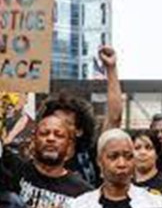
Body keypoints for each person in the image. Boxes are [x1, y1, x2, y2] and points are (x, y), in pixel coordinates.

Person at [39, 45, 123, 187]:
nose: (56, 130)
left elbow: (114, 118)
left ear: (79, 130)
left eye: (65, 123)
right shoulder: (37, 155)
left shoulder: (90, 156)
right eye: (54, 122)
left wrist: (111, 68)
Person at [0, 115, 92, 208]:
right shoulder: (13, 169)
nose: (51, 139)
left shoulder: (83, 193)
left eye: (59, 135)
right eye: (44, 134)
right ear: (33, 140)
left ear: (69, 145)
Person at [66, 130, 162, 208]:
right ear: (99, 161)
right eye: (113, 157)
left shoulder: (155, 205)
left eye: (128, 157)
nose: (122, 164)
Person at [132, 130, 162, 206]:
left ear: (156, 154)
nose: (142, 152)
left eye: (148, 148)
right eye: (137, 148)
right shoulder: (124, 185)